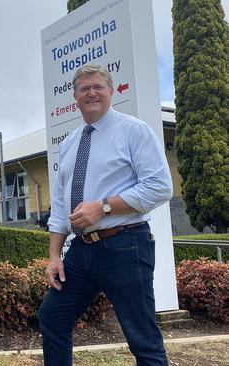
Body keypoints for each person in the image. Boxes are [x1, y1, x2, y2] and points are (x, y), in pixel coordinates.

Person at [38, 63, 173, 366]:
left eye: (98, 86)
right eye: (84, 88)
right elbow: (60, 203)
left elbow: (161, 186)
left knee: (142, 338)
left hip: (124, 244)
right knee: (52, 317)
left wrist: (104, 206)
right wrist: (54, 255)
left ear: (111, 90)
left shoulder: (133, 130)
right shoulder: (71, 142)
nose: (91, 93)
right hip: (81, 250)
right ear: (75, 96)